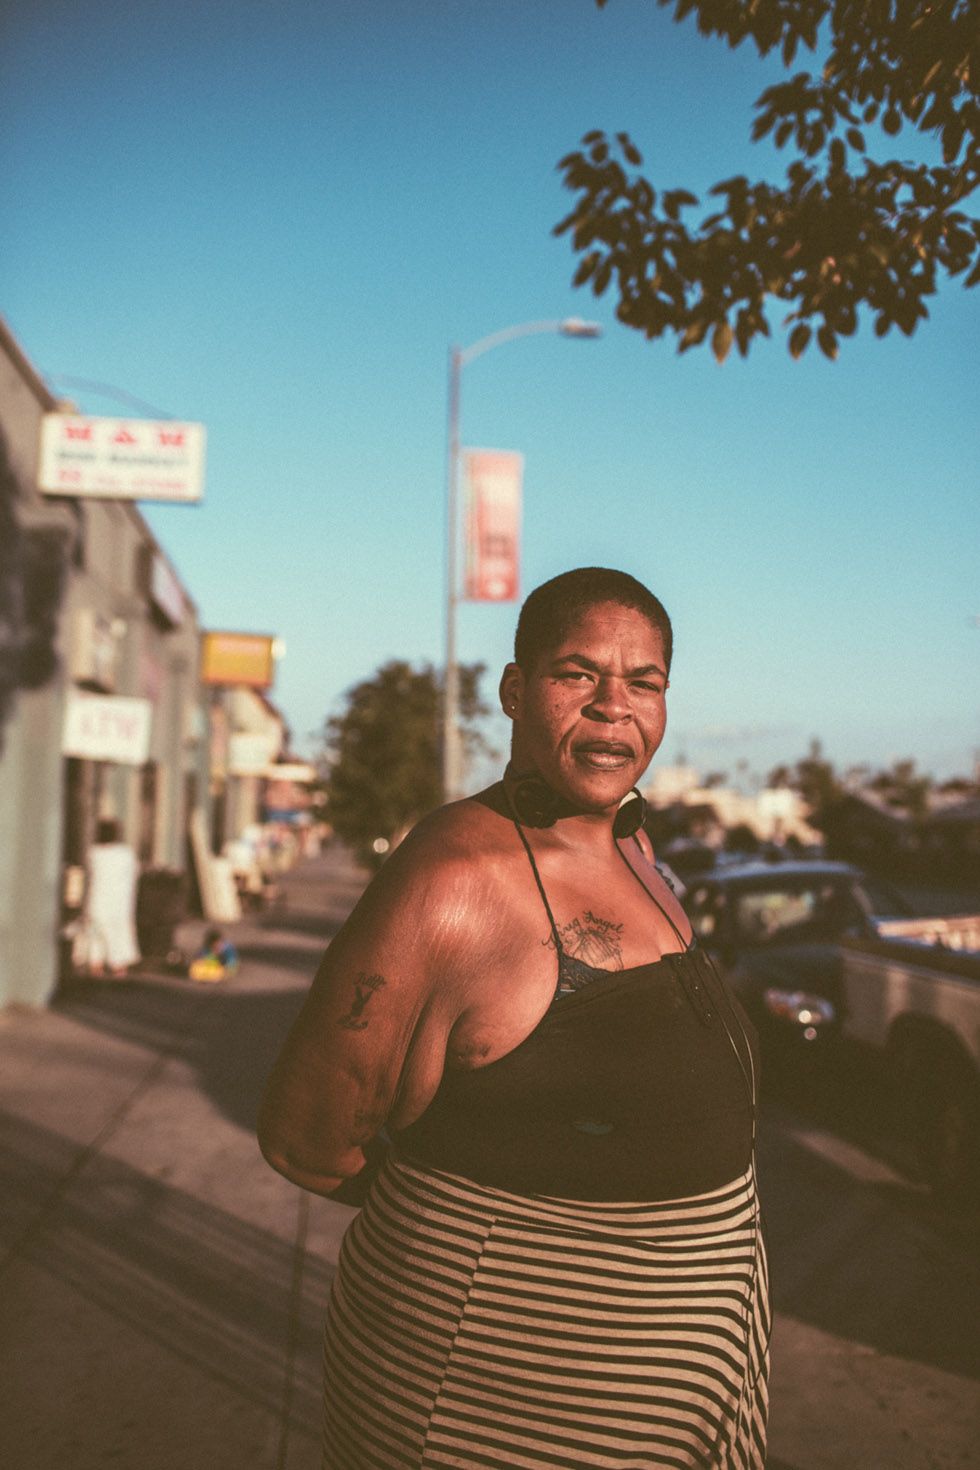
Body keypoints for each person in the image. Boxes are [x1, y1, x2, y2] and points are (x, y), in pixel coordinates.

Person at [259, 567, 770, 1469]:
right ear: (513, 690)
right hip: (504, 1396)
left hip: (674, 1389)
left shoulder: (635, 845)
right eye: (578, 674)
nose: (615, 707)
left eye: (643, 681)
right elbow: (307, 1134)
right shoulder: (455, 875)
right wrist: (483, 1233)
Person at [82, 818, 140, 979]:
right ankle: (119, 970)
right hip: (119, 904)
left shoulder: (93, 854)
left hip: (96, 902)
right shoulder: (126, 855)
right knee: (118, 938)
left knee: (95, 938)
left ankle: (96, 970)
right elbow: (134, 875)